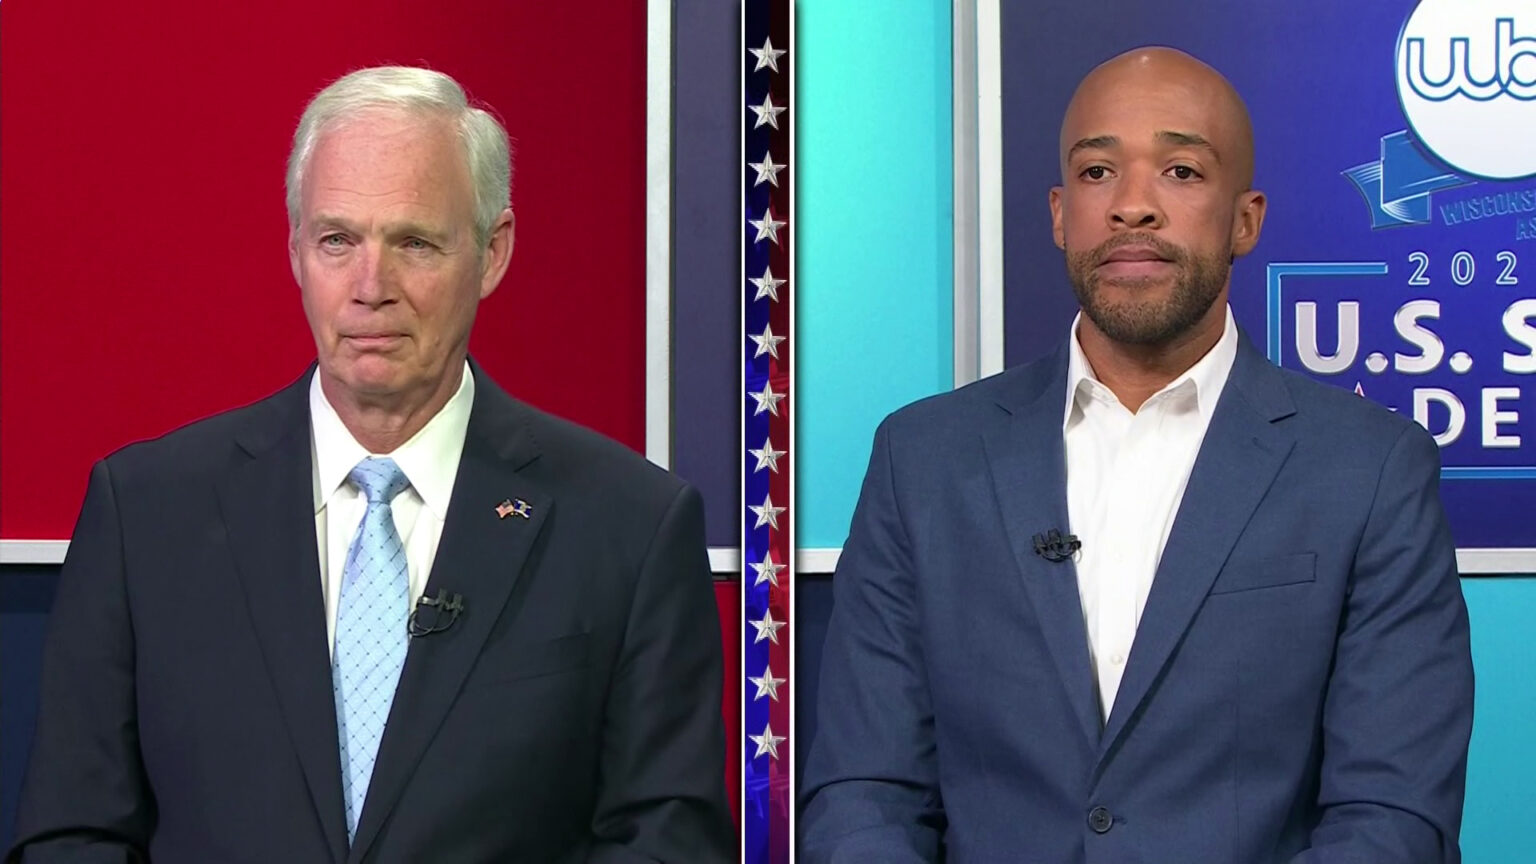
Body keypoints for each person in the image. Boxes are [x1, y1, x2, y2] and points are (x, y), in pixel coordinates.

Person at [11, 66, 733, 863]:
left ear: (492, 253)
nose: (370, 287)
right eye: (337, 240)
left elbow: (668, 841)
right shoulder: (147, 512)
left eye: (414, 243)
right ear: (295, 251)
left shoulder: (628, 525)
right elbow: (72, 836)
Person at [801, 47, 1473, 863]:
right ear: (1057, 214)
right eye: (1096, 173)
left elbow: (1391, 815)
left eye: (1182, 171)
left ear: (1246, 219)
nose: (1132, 207)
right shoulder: (925, 459)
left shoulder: (1370, 471)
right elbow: (865, 794)